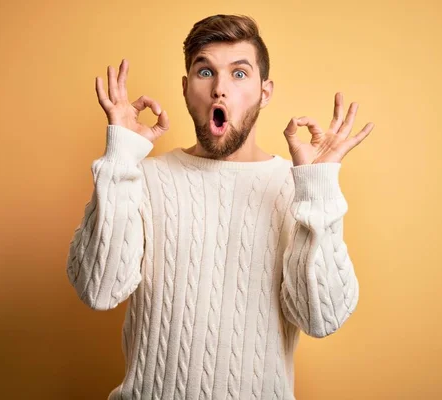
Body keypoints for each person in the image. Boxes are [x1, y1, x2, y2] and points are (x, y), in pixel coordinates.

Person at [66, 14, 374, 400]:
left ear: (265, 92)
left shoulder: (297, 187)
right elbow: (99, 289)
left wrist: (319, 186)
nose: (220, 90)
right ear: (186, 87)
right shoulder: (143, 178)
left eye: (240, 74)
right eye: (205, 72)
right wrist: (120, 158)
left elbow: (321, 318)